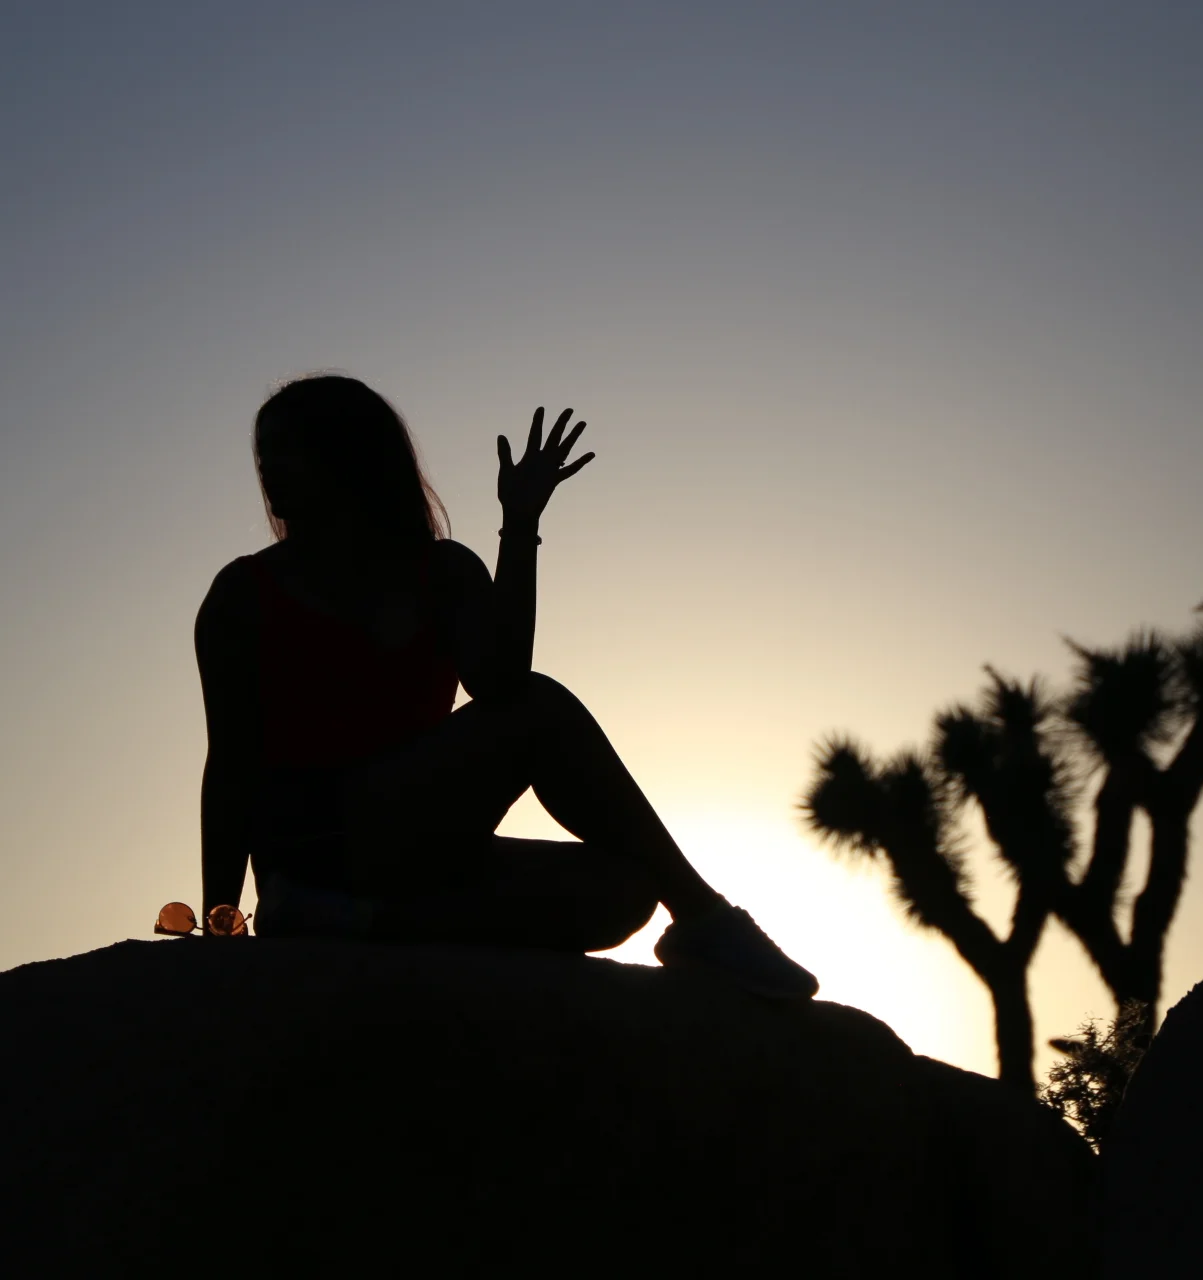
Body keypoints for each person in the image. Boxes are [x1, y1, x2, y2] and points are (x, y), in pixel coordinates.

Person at [194, 374, 817, 999]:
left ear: (351, 455)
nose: (271, 469)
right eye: (264, 453)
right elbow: (231, 766)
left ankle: (356, 922)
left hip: (423, 844)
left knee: (624, 891)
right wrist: (220, 922)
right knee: (542, 708)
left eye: (290, 449)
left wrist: (520, 525)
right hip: (315, 842)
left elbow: (499, 680)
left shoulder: (441, 570)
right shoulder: (243, 594)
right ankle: (705, 916)